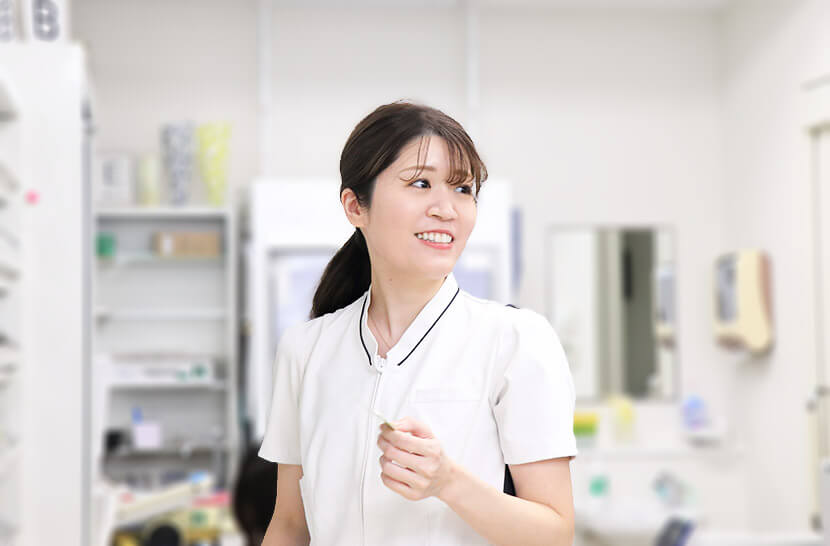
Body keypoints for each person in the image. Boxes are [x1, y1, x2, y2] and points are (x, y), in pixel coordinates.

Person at [258, 100, 577, 545]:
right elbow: (290, 526)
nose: (447, 209)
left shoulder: (515, 341)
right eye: (421, 183)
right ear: (355, 206)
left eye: (463, 188)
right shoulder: (305, 350)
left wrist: (448, 482)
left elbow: (555, 534)